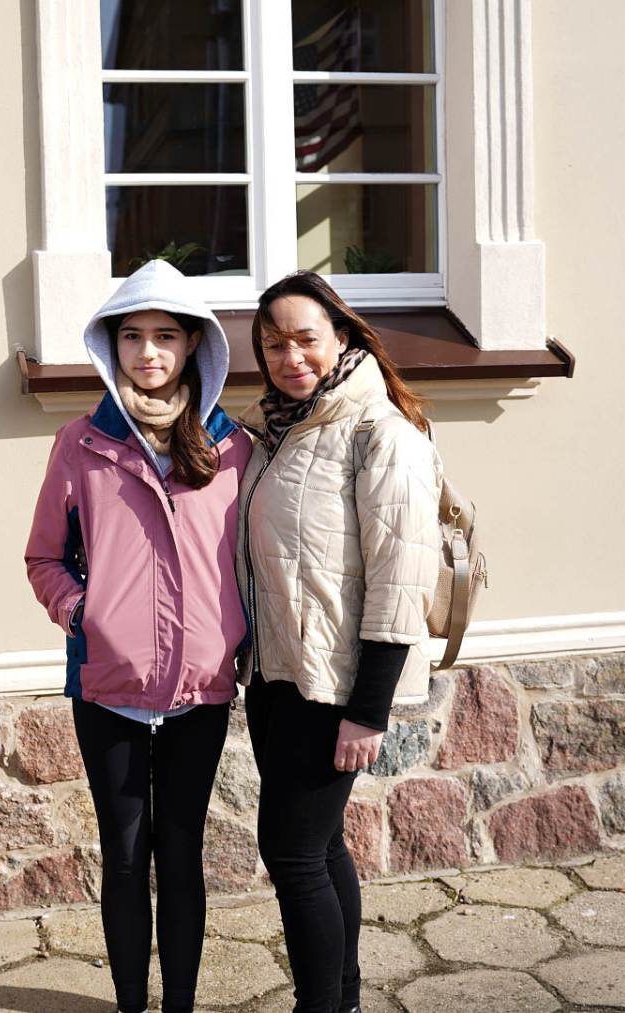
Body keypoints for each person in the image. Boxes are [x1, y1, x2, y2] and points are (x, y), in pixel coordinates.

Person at [24, 259, 250, 1013]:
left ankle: (179, 1003)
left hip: (200, 689)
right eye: (131, 336)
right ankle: (130, 1004)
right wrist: (82, 613)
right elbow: (44, 557)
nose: (148, 352)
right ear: (110, 345)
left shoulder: (232, 449)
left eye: (165, 337)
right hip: (108, 689)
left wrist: (236, 635)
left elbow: (252, 560)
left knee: (181, 855)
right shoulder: (79, 443)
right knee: (124, 856)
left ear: (193, 345)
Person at [236, 272, 440, 1013]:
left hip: (334, 687)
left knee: (292, 854)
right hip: (278, 677)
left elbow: (401, 579)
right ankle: (343, 1001)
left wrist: (368, 709)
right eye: (273, 344)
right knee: (318, 849)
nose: (289, 356)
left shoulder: (379, 432)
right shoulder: (279, 430)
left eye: (306, 339)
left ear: (343, 337)